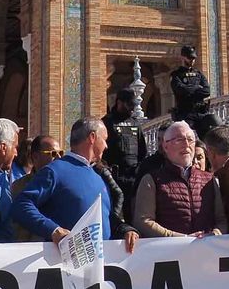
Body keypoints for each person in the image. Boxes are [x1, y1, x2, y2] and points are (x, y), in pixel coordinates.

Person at [14, 117, 138, 251]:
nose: (106, 146)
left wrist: (125, 230)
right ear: (92, 137)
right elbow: (21, 205)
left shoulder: (98, 175)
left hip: (100, 265)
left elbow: (105, 217)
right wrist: (53, 230)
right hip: (66, 264)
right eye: (104, 139)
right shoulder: (54, 171)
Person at [134, 119, 226, 238]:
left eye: (190, 140)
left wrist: (214, 234)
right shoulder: (152, 180)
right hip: (170, 253)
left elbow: (221, 219)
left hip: (206, 251)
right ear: (165, 146)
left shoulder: (209, 180)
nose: (186, 145)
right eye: (179, 140)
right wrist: (181, 239)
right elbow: (143, 221)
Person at [169, 45, 216, 139]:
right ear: (182, 57)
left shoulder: (199, 74)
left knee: (213, 128)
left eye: (193, 58)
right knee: (187, 138)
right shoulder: (176, 75)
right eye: (189, 58)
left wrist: (189, 90)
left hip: (201, 112)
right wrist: (197, 88)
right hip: (186, 113)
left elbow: (207, 91)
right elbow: (180, 90)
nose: (192, 60)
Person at [101, 89, 147, 181]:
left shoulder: (135, 123)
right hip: (113, 177)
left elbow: (142, 151)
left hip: (132, 177)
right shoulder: (107, 122)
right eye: (129, 104)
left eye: (133, 105)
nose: (132, 108)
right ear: (119, 103)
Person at [12, 135, 62, 199]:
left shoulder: (66, 184)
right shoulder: (20, 186)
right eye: (53, 153)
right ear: (35, 156)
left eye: (61, 153)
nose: (59, 157)